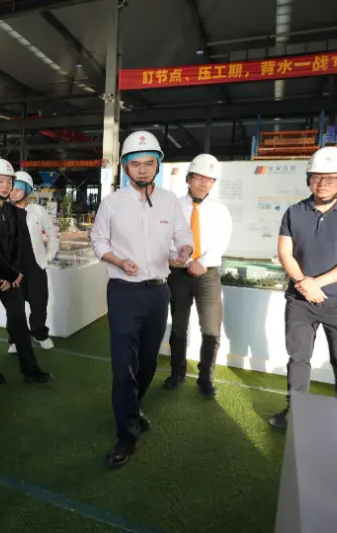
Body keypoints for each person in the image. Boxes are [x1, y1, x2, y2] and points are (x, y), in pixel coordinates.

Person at [90, 130, 194, 468]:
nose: (143, 169)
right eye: (136, 164)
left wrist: (185, 250)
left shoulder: (169, 201)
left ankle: (133, 408)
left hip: (159, 291)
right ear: (125, 166)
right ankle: (126, 435)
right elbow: (99, 241)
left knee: (148, 361)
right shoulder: (112, 203)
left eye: (149, 163)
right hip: (124, 292)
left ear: (158, 165)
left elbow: (183, 234)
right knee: (124, 365)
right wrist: (119, 261)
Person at [269, 146, 337, 430]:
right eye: (316, 177)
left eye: (331, 178)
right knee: (298, 359)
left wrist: (317, 283)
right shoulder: (294, 212)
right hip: (300, 302)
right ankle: (294, 413)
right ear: (308, 179)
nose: (323, 183)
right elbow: (285, 253)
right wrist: (304, 284)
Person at [0, 160, 53, 385]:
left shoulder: (16, 213)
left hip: (9, 277)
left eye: (9, 181)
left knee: (18, 318)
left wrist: (14, 273)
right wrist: (3, 275)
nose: (5, 186)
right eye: (0, 181)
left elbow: (19, 247)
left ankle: (31, 371)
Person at [164, 154, 232, 398]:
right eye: (198, 178)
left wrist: (201, 262)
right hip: (178, 274)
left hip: (207, 275)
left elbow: (222, 241)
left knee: (211, 329)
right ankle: (177, 373)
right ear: (188, 179)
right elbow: (164, 237)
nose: (203, 183)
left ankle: (206, 379)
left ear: (213, 183)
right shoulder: (172, 206)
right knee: (178, 328)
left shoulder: (220, 210)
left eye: (209, 179)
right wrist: (175, 258)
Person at [7, 171, 59, 353]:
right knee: (15, 306)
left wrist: (48, 257)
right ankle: (15, 339)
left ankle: (39, 333)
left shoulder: (38, 211)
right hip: (13, 267)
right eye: (11, 188)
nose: (13, 192)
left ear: (28, 190)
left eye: (18, 188)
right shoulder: (4, 211)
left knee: (39, 302)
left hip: (36, 265)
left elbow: (52, 234)